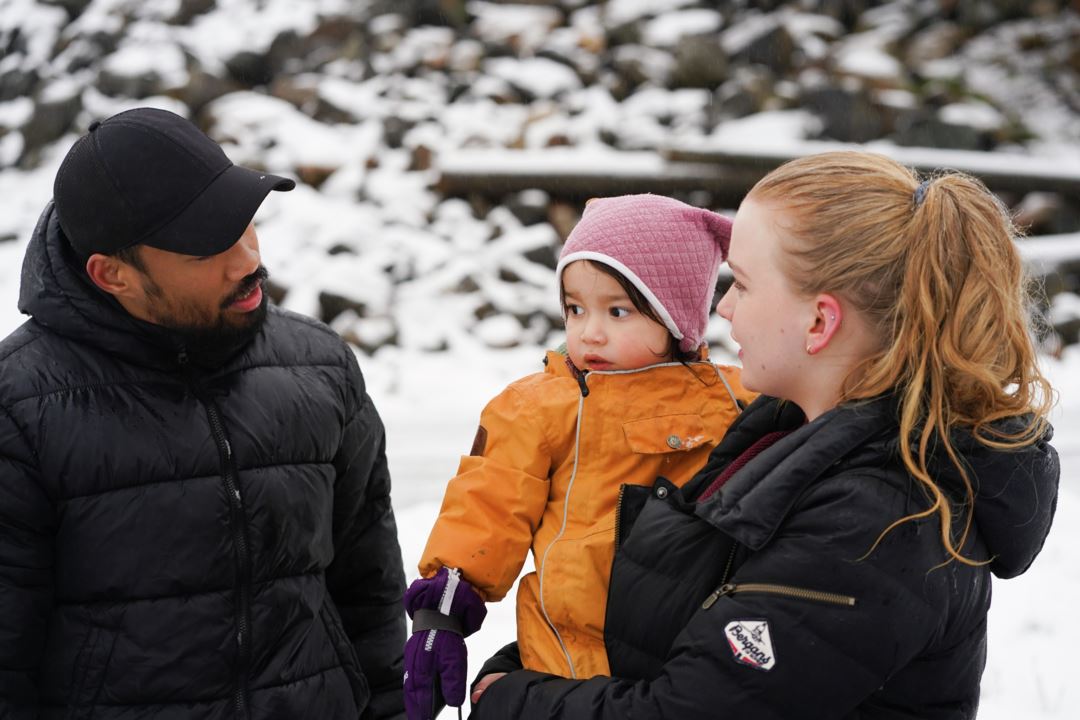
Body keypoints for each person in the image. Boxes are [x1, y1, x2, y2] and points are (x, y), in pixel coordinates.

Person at [468, 151, 1060, 719]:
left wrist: (512, 700)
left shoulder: (877, 523)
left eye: (743, 285)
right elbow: (678, 636)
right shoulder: (777, 438)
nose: (724, 309)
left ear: (820, 321)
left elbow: (692, 711)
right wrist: (537, 660)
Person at [0, 108, 406, 719]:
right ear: (112, 275)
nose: (246, 260)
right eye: (205, 246)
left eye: (245, 225)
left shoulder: (319, 367)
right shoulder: (20, 408)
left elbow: (368, 594)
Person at [401, 195, 756, 719]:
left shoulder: (737, 402)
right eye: (575, 308)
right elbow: (489, 504)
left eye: (618, 311)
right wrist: (443, 611)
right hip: (562, 664)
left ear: (676, 316)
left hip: (685, 665)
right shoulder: (543, 407)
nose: (589, 332)